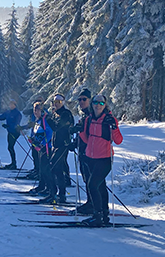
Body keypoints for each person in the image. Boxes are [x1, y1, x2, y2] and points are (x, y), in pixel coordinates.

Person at [77, 94, 123, 226]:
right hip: (91, 158)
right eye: (95, 102)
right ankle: (104, 215)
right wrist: (79, 131)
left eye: (101, 103)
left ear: (105, 105)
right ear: (92, 104)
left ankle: (97, 216)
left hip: (105, 159)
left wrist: (114, 126)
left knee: (92, 185)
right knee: (100, 186)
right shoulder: (89, 119)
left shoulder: (109, 120)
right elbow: (86, 138)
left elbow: (118, 141)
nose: (98, 105)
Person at [40, 93, 73, 204]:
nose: (56, 104)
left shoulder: (66, 114)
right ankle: (56, 193)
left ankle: (58, 193)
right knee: (56, 169)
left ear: (63, 102)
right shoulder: (56, 113)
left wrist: (48, 119)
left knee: (53, 166)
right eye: (54, 102)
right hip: (55, 145)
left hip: (63, 145)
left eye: (58, 102)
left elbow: (56, 127)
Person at [72, 88, 94, 214]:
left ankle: (94, 204)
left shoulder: (92, 115)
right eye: (79, 99)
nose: (81, 102)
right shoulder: (84, 115)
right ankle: (89, 202)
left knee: (91, 179)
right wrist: (74, 143)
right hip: (82, 150)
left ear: (90, 100)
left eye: (84, 99)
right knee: (86, 178)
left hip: (90, 152)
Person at [26, 102, 53, 195]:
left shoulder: (45, 120)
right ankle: (42, 186)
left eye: (37, 110)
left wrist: (42, 143)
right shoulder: (38, 121)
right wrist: (33, 140)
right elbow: (36, 133)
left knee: (45, 169)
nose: (35, 112)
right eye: (34, 110)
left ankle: (49, 188)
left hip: (46, 148)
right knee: (41, 168)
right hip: (39, 148)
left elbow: (49, 133)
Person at [0, 100, 22, 169]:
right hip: (10, 132)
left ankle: (14, 164)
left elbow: (17, 123)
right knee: (10, 147)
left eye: (12, 105)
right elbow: (1, 117)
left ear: (15, 105)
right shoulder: (8, 112)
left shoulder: (17, 113)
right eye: (10, 104)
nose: (10, 106)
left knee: (10, 147)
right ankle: (13, 163)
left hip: (15, 132)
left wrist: (8, 126)